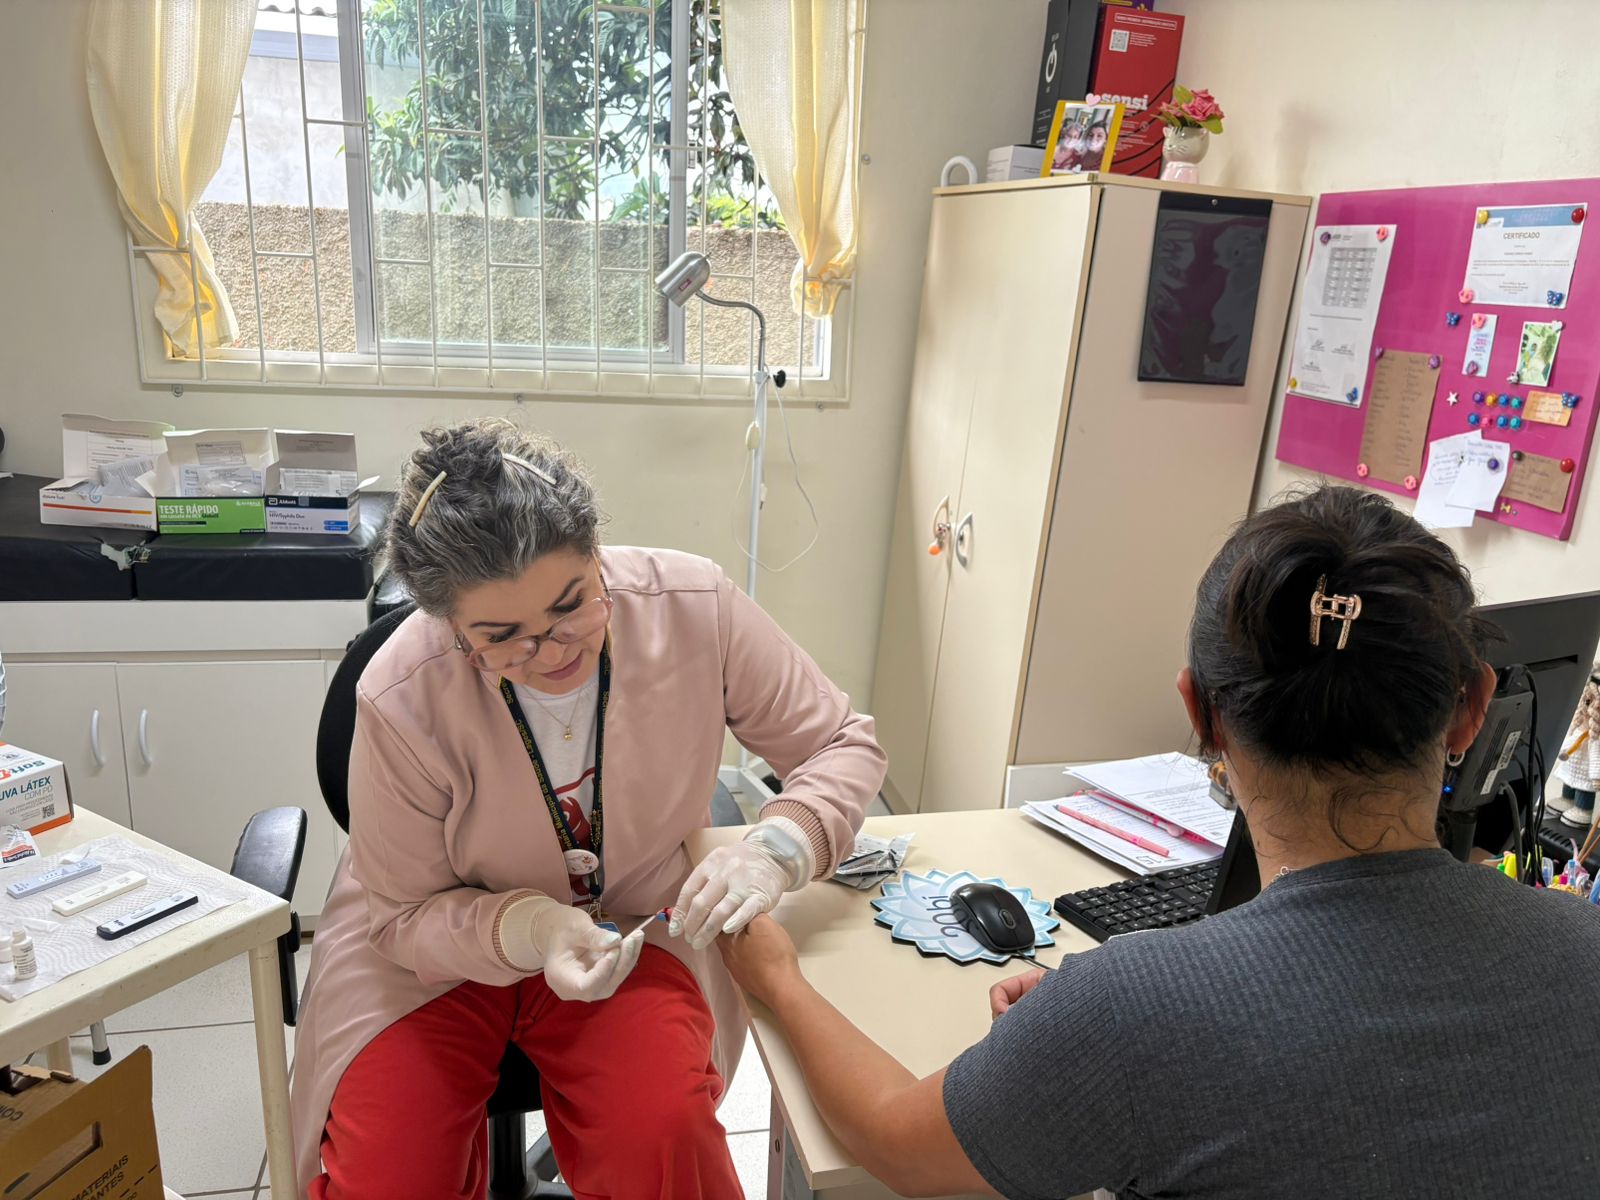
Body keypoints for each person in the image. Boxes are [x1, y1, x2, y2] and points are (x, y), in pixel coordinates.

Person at [719, 485, 1600, 1198]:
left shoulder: (1133, 1013)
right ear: (1474, 711)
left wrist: (778, 979)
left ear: (1201, 713)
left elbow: (894, 1146)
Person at [291, 419, 885, 1200]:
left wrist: (778, 846)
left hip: (627, 926)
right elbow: (402, 916)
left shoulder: (695, 608)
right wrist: (533, 928)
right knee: (391, 1178)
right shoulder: (404, 691)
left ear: (597, 551)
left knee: (663, 1142)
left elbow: (841, 742)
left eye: (572, 603)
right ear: (451, 630)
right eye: (503, 639)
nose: (553, 651)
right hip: (426, 951)